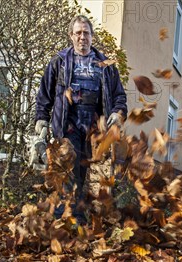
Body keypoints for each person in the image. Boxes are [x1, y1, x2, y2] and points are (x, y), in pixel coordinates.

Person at [32, 15, 128, 224]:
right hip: (68, 126)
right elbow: (44, 95)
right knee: (67, 171)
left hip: (95, 128)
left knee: (93, 177)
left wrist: (117, 113)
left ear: (92, 36)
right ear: (71, 36)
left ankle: (84, 221)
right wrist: (42, 121)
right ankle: (63, 220)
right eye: (78, 33)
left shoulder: (105, 66)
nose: (82, 36)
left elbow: (119, 95)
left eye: (86, 32)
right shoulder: (59, 62)